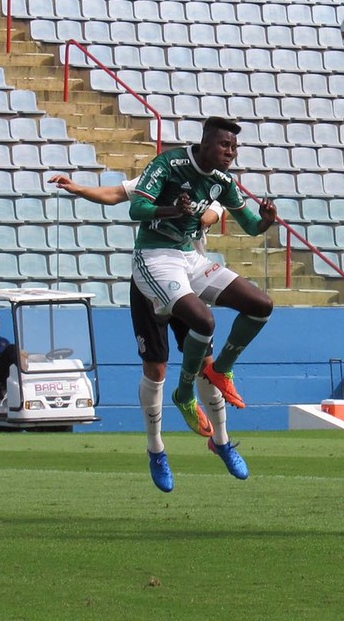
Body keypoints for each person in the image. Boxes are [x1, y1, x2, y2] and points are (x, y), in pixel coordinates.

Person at [50, 173, 248, 491]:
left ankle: (222, 441)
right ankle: (156, 449)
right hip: (148, 280)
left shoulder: (212, 186)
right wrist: (79, 188)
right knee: (156, 369)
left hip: (186, 280)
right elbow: (116, 193)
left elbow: (211, 214)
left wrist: (186, 210)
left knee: (206, 365)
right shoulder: (158, 179)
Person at [129, 117, 277, 474]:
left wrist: (266, 221)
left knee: (261, 305)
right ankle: (158, 448)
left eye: (235, 148)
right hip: (155, 259)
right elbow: (136, 209)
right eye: (226, 146)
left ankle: (221, 400)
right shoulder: (170, 163)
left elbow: (252, 226)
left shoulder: (222, 182)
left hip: (189, 258)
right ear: (207, 142)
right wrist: (172, 210)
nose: (232, 153)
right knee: (173, 351)